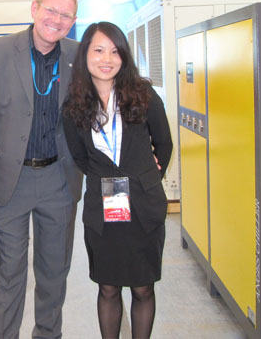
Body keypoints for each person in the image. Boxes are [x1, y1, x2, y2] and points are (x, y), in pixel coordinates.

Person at [0, 0, 83, 339]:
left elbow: (102, 106)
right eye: (51, 10)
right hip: (8, 180)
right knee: (7, 273)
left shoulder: (78, 55)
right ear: (34, 9)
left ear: (73, 22)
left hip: (60, 179)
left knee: (54, 272)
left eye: (66, 15)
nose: (56, 20)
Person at [62, 22, 173, 339]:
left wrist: (146, 177)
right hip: (104, 208)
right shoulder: (74, 105)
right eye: (98, 50)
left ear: (123, 56)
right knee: (108, 287)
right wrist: (105, 176)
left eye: (114, 51)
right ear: (85, 54)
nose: (106, 59)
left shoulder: (144, 94)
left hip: (143, 207)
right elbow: (79, 156)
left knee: (143, 288)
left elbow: (164, 144)